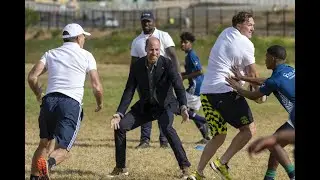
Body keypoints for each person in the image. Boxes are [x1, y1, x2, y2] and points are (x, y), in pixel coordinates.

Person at [188, 11, 259, 180]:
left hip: (206, 93)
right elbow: (254, 76)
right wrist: (259, 95)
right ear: (239, 25)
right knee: (248, 130)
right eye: (250, 25)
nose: (253, 29)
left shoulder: (225, 33)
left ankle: (198, 173)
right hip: (225, 91)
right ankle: (222, 163)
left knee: (219, 135)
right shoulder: (246, 43)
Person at [27, 23, 103, 180]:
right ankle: (47, 165)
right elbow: (97, 87)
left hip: (49, 101)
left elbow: (32, 77)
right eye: (83, 37)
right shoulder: (86, 55)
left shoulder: (51, 53)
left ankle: (34, 177)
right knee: (64, 149)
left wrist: (38, 93)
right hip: (70, 103)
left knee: (44, 143)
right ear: (77, 38)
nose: (84, 40)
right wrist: (99, 103)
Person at [108, 37, 191, 179]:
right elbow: (129, 90)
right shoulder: (138, 65)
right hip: (145, 107)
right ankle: (120, 168)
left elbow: (178, 86)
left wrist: (183, 107)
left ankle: (185, 168)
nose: (154, 52)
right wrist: (119, 113)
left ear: (160, 50)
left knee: (167, 129)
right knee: (120, 127)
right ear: (146, 49)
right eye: (151, 49)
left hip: (165, 106)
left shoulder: (167, 64)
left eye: (157, 49)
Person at [226, 45, 295, 180]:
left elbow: (254, 95)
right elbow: (266, 81)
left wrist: (237, 88)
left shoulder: (275, 80)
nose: (265, 59)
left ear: (273, 58)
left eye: (266, 56)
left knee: (273, 143)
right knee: (275, 145)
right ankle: (269, 178)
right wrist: (244, 78)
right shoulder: (288, 69)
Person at [130, 11, 181, 149]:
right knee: (145, 107)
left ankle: (164, 140)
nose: (146, 23)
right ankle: (145, 140)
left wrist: (177, 74)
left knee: (163, 108)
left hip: (162, 80)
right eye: (144, 21)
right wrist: (132, 81)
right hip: (144, 81)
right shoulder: (137, 41)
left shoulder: (163, 36)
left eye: (149, 21)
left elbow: (173, 56)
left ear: (154, 21)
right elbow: (134, 63)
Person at [180, 31, 211, 144]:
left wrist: (185, 77)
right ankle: (206, 138)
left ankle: (205, 121)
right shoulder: (188, 55)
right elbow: (191, 71)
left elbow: (199, 71)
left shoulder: (192, 55)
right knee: (192, 113)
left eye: (185, 42)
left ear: (190, 44)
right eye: (182, 42)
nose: (182, 44)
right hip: (196, 86)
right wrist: (182, 75)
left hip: (195, 86)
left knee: (180, 107)